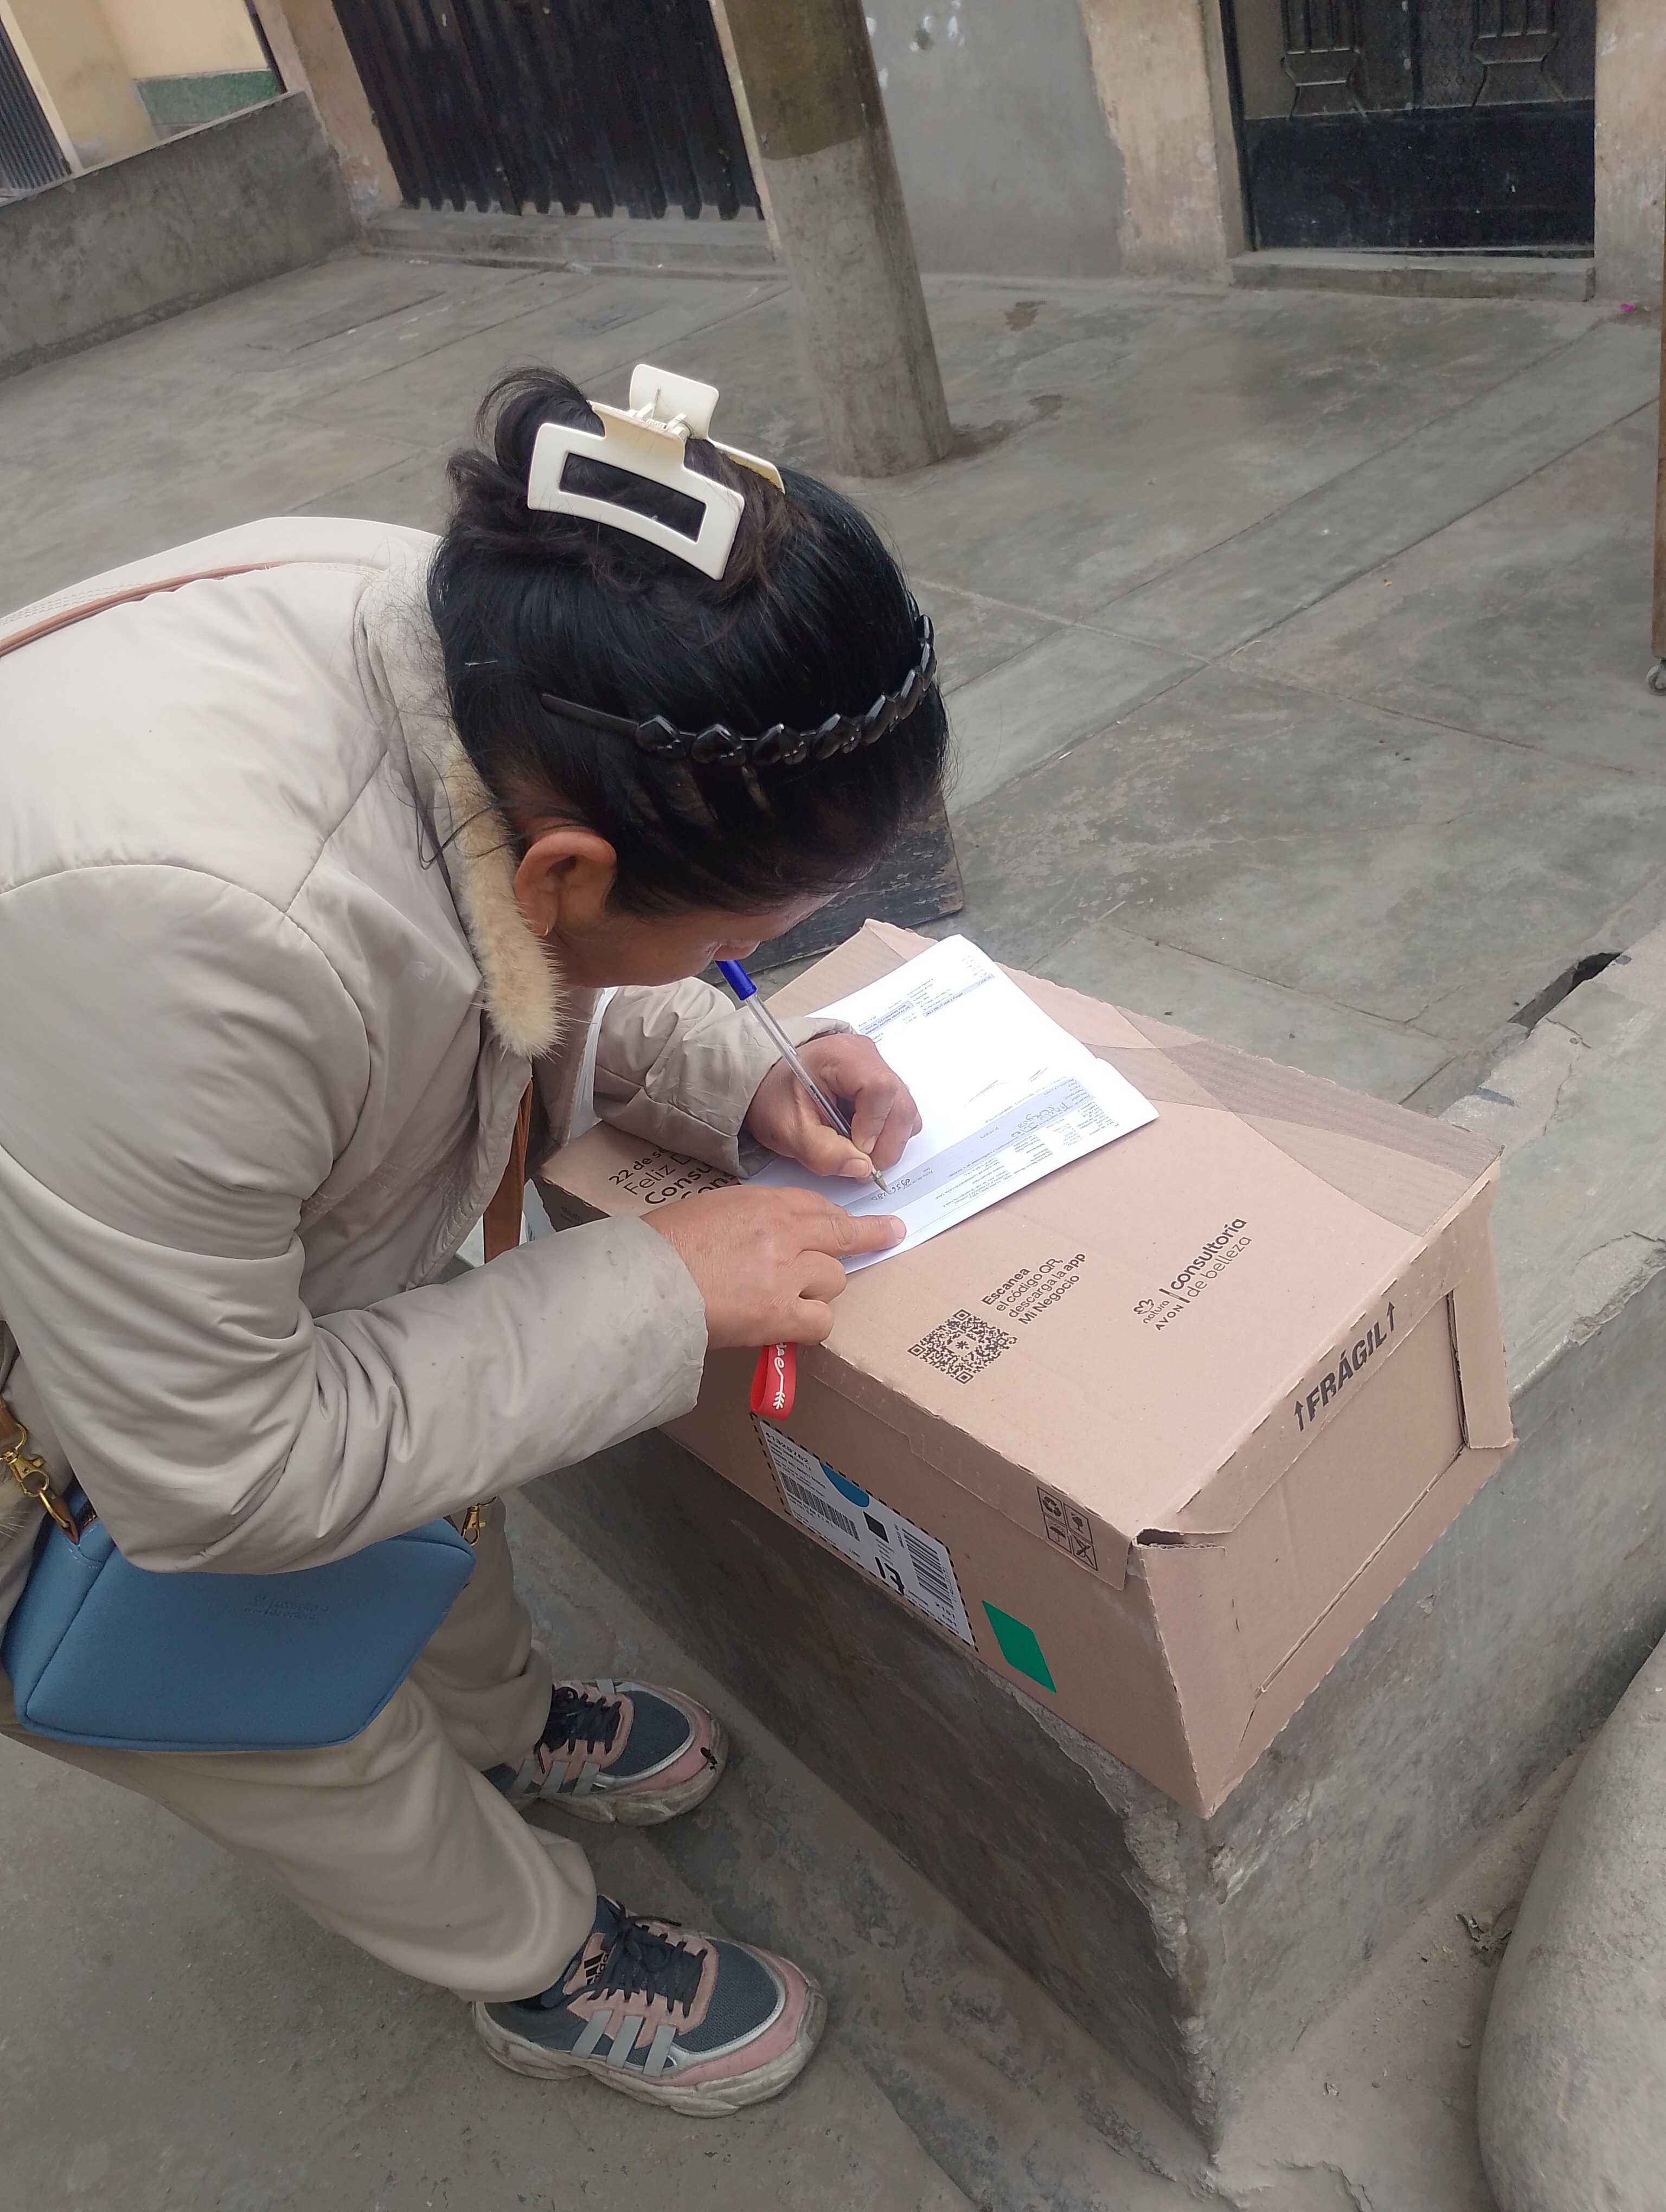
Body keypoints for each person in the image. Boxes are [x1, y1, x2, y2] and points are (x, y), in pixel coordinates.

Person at [0, 364, 949, 2117]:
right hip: (66, 1412)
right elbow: (218, 1475)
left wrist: (731, 1067)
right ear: (577, 868)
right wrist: (658, 1286)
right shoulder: (195, 942)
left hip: (142, 1180)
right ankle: (537, 1961)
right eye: (754, 933)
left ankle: (506, 1722)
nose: (756, 961)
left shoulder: (485, 643)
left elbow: (476, 970)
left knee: (426, 1473)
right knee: (275, 1698)